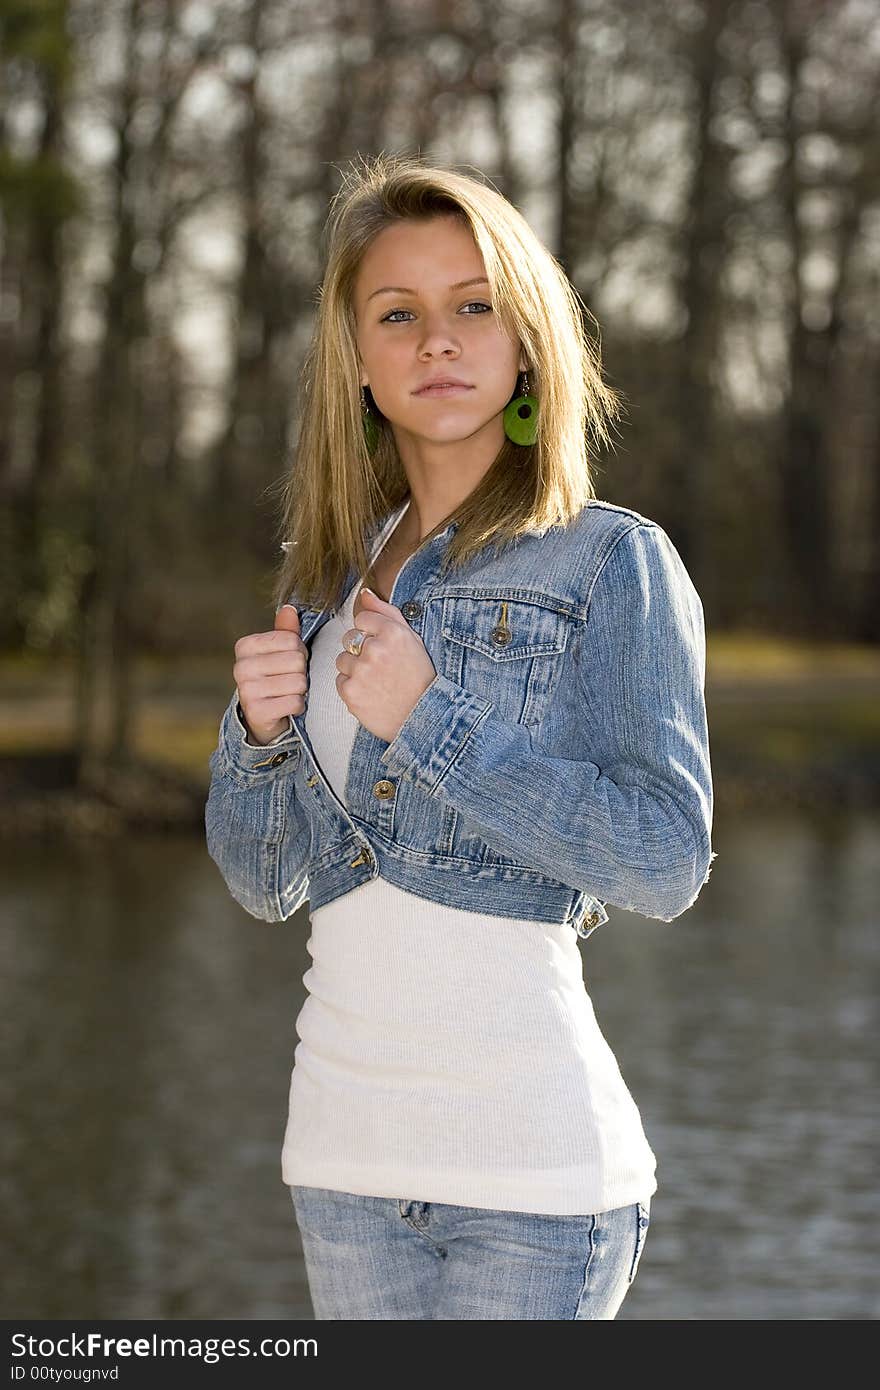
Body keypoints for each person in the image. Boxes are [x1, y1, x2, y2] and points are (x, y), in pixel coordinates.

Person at [205, 152, 717, 1320]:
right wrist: (255, 734)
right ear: (362, 365)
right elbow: (264, 880)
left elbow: (665, 861)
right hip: (341, 1163)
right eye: (399, 315)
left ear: (525, 339)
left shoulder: (610, 561)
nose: (437, 341)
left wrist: (430, 721)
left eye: (472, 306)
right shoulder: (325, 581)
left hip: (531, 1179)